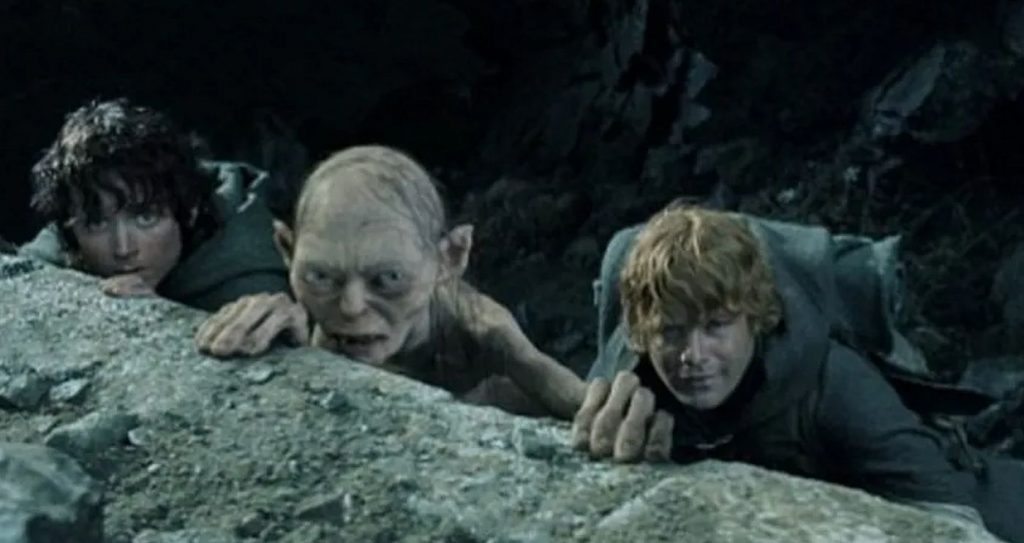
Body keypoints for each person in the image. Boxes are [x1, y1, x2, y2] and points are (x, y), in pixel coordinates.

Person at [571, 206, 1022, 543]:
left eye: (716, 327)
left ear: (755, 319)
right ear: (642, 334)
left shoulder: (833, 382)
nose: (693, 355)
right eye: (671, 332)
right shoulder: (633, 375)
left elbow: (953, 517)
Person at [194, 145, 586, 418]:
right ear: (285, 249)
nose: (350, 307)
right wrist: (272, 337)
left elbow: (583, 413)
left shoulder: (484, 335)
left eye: (388, 279)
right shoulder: (302, 312)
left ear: (451, 258)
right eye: (321, 276)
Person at [21, 98, 289, 311]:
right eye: (97, 223)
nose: (124, 249)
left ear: (189, 210)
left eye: (145, 218)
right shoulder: (69, 225)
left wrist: (159, 315)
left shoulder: (247, 273)